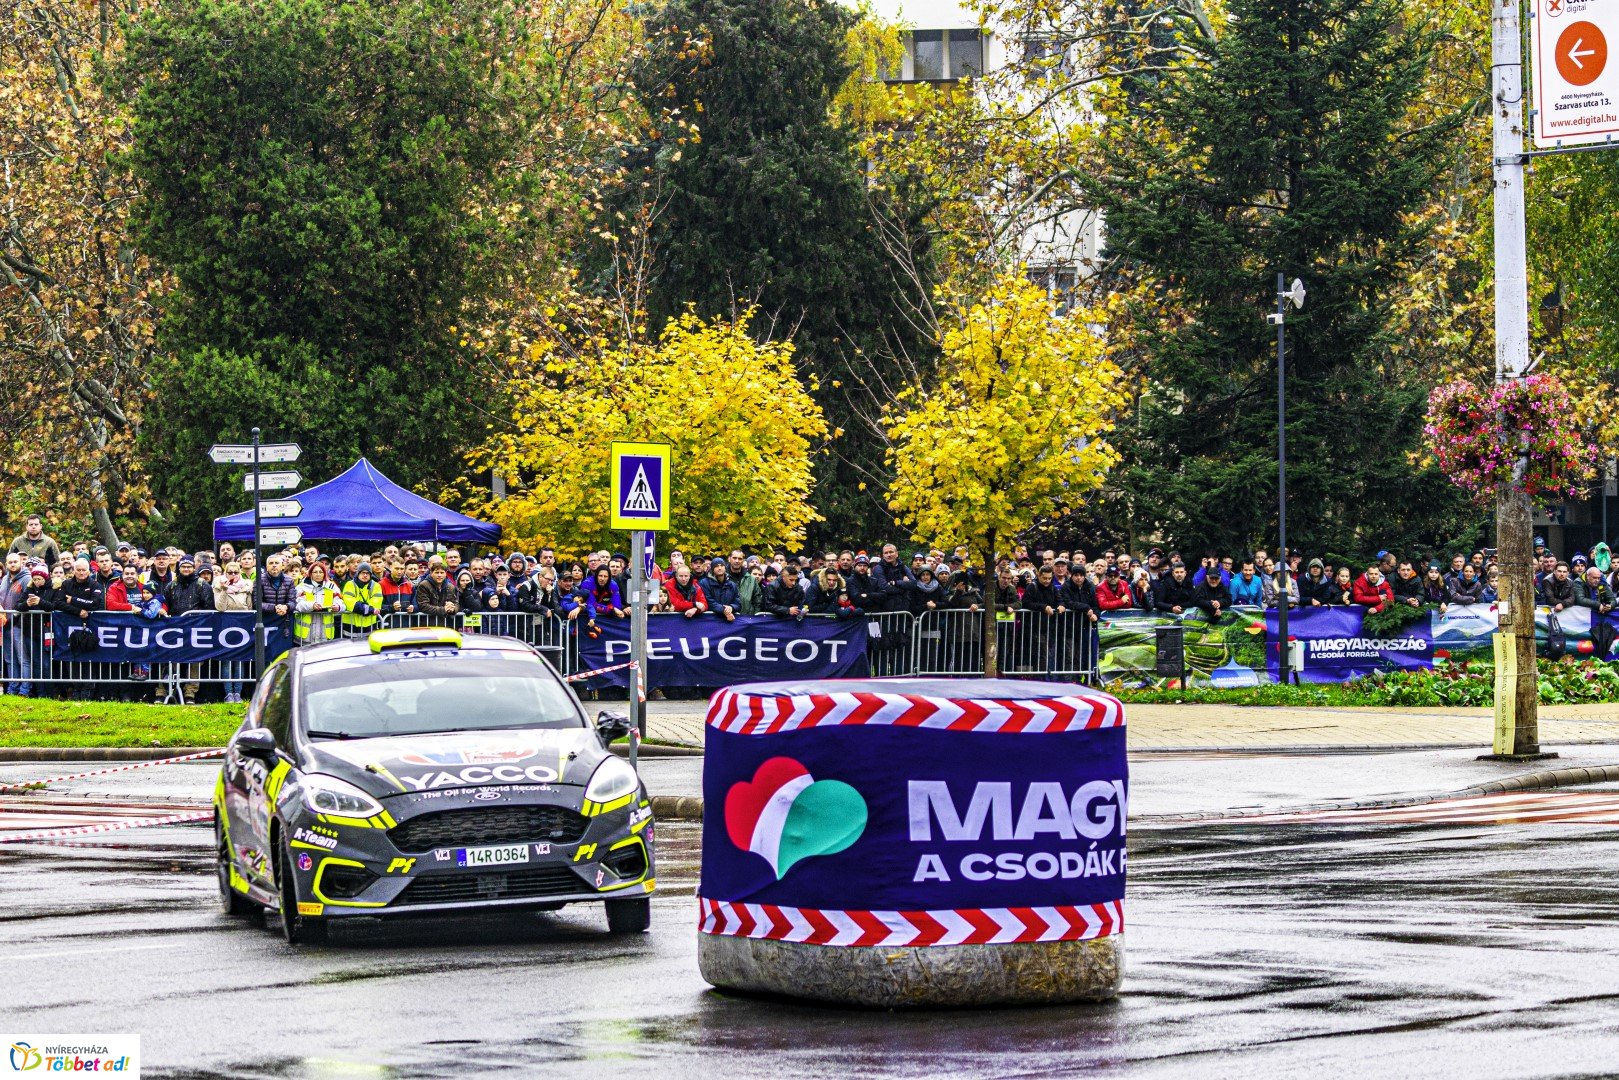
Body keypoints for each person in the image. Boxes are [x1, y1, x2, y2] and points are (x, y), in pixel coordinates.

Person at [213, 561, 253, 703]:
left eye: (236, 572)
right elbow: (220, 607)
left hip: (242, 627)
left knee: (240, 661)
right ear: (225, 573)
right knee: (227, 661)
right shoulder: (218, 586)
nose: (233, 575)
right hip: (225, 627)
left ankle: (238, 693)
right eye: (230, 572)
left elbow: (249, 607)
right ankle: (229, 693)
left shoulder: (246, 587)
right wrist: (224, 590)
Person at [294, 562, 344, 645]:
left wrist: (338, 606)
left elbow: (341, 602)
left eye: (321, 572)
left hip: (325, 635)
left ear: (324, 574)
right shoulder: (302, 586)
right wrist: (311, 605)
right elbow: (297, 604)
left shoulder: (332, 587)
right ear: (310, 574)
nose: (318, 574)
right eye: (315, 572)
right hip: (305, 636)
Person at [341, 563, 382, 636]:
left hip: (369, 629)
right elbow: (351, 604)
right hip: (350, 629)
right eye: (363, 573)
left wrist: (366, 608)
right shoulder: (349, 585)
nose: (365, 575)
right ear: (358, 573)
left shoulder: (376, 586)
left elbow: (376, 604)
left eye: (367, 573)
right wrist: (370, 609)